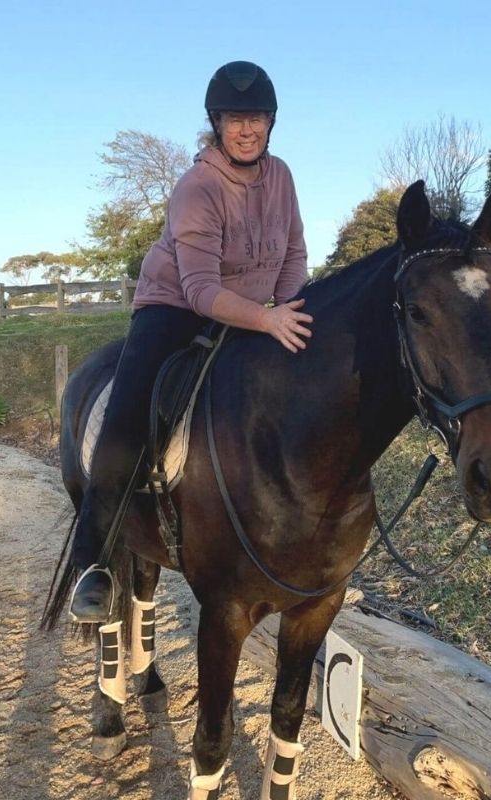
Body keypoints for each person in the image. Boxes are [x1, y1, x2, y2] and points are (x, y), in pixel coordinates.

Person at [70, 60, 313, 621]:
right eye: (234, 119)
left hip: (252, 312)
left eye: (256, 118)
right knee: (131, 413)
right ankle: (94, 559)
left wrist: (291, 305)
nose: (246, 129)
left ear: (271, 123)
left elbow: (294, 254)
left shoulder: (282, 177)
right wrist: (268, 319)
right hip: (175, 308)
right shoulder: (197, 187)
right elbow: (201, 291)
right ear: (216, 124)